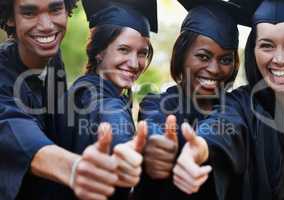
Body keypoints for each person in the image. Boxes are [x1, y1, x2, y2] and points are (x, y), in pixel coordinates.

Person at [170, 0, 284, 199]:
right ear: (252, 51)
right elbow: (223, 124)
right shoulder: (241, 104)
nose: (279, 59)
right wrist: (201, 147)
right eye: (266, 45)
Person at [0, 0, 125, 199]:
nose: (47, 25)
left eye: (55, 9)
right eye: (30, 13)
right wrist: (75, 168)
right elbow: (14, 131)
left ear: (67, 9)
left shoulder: (52, 59)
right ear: (10, 18)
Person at [133, 0, 241, 199]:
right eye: (203, 56)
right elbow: (154, 122)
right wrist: (156, 143)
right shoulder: (157, 103)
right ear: (182, 55)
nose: (215, 69)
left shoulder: (237, 106)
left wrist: (201, 146)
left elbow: (229, 125)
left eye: (225, 59)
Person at [65, 0, 157, 198]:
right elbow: (110, 114)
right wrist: (125, 147)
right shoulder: (99, 97)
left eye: (142, 53)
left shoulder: (80, 88)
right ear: (99, 52)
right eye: (123, 49)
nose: (134, 63)